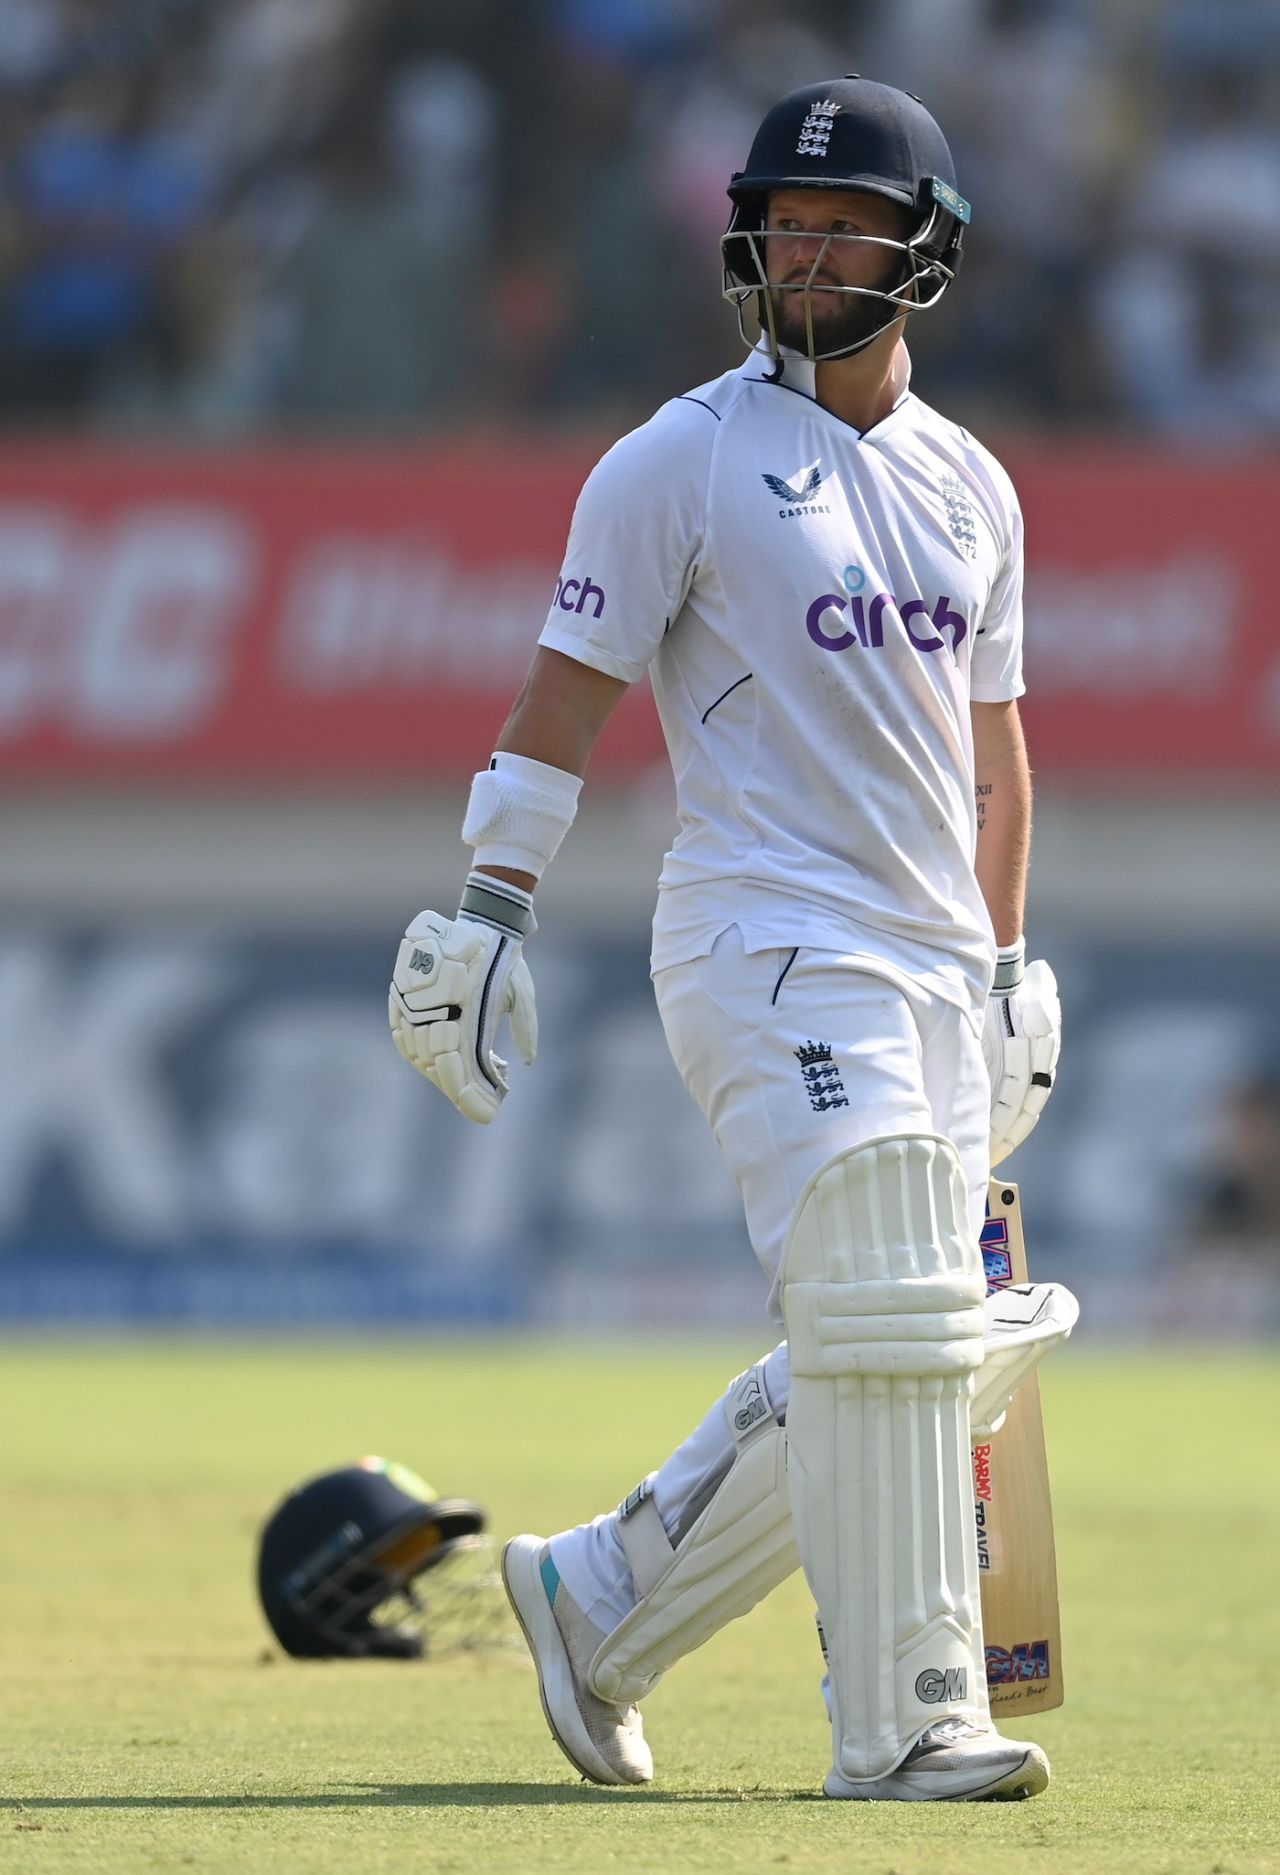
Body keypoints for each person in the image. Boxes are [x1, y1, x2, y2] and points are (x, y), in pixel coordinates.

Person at [389, 76, 1064, 1802]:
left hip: (925, 965)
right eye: (788, 223)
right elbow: (562, 698)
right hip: (762, 938)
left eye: (849, 226)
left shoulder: (974, 487)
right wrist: (487, 912)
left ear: (927, 253)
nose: (810, 252)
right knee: (893, 1304)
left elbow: (995, 759)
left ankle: (599, 1599)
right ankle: (912, 1720)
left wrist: (1000, 971)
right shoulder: (678, 457)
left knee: (922, 1347)